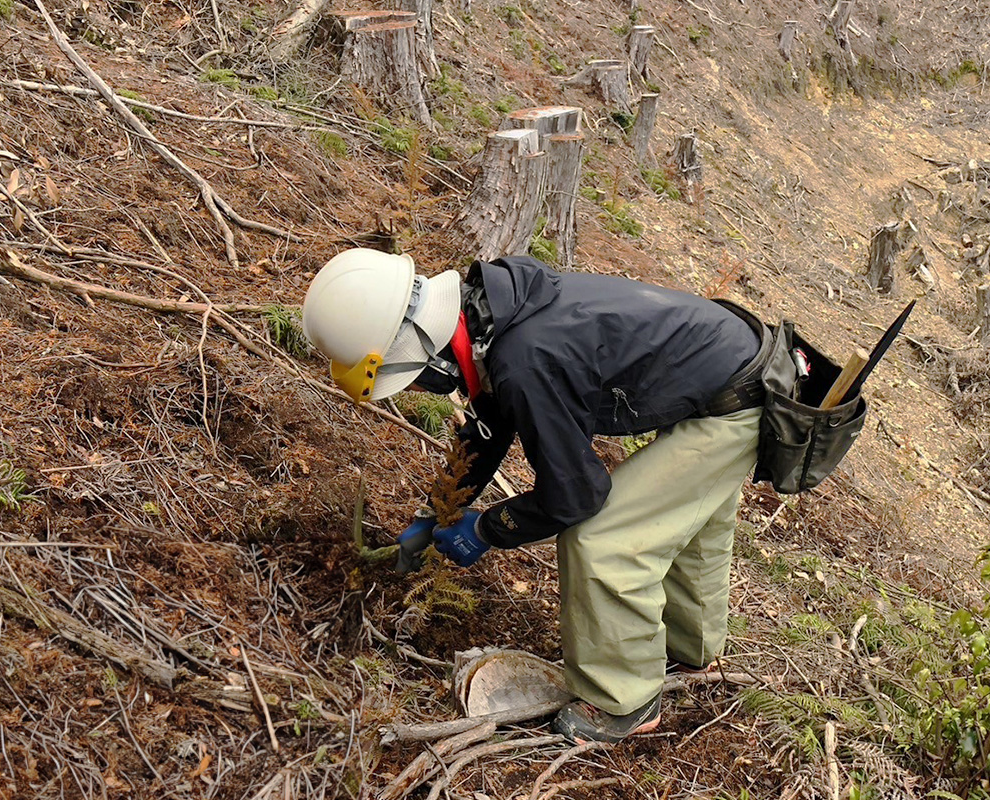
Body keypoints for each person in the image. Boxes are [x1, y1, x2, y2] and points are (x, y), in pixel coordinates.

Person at [301, 248, 768, 744]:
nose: (420, 386)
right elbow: (489, 425)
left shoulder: (525, 358)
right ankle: (691, 647)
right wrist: (436, 509)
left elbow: (577, 496)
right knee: (682, 514)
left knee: (604, 538)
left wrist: (487, 529)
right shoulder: (493, 311)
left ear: (420, 350)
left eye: (412, 376)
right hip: (730, 362)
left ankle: (626, 700)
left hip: (738, 398)